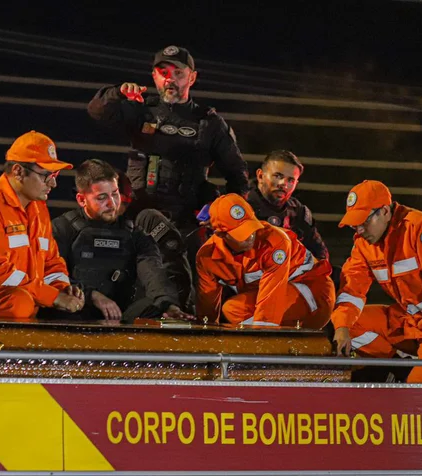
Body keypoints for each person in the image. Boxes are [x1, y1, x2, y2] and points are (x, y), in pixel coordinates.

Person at [87, 45, 248, 299]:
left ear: (192, 77)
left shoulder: (210, 123)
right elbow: (97, 111)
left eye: (178, 73)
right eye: (163, 72)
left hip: (188, 225)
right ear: (154, 76)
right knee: (133, 292)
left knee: (188, 295)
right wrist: (117, 92)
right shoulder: (141, 109)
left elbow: (238, 177)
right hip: (138, 221)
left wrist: (221, 216)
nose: (170, 79)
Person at [0, 131, 84, 319]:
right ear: (18, 171)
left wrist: (63, 289)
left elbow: (51, 262)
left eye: (55, 174)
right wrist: (52, 296)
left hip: (12, 295)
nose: (53, 183)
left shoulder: (38, 207)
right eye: (46, 175)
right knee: (19, 303)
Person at [331, 180, 422, 383]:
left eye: (364, 221)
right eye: (355, 224)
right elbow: (352, 290)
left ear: (385, 212)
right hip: (410, 322)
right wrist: (341, 328)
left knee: (420, 397)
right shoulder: (364, 244)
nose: (359, 230)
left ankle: (411, 371)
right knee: (347, 324)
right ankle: (399, 369)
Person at [51, 159, 193, 322]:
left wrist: (168, 305)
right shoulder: (62, 229)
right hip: (74, 310)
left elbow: (153, 272)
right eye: (102, 197)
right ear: (82, 200)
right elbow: (51, 275)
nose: (112, 204)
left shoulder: (135, 234)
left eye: (115, 194)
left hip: (121, 313)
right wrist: (92, 295)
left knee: (160, 309)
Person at [196, 193, 334, 329]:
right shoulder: (206, 257)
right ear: (220, 234)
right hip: (282, 298)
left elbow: (271, 303)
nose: (250, 236)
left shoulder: (275, 241)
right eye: (240, 234)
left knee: (237, 310)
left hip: (314, 293)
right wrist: (206, 333)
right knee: (233, 308)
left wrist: (264, 340)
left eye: (251, 227)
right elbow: (208, 306)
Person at [245, 150, 329, 262]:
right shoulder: (241, 206)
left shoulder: (299, 211)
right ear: (260, 176)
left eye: (290, 180)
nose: (283, 184)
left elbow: (320, 255)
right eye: (278, 176)